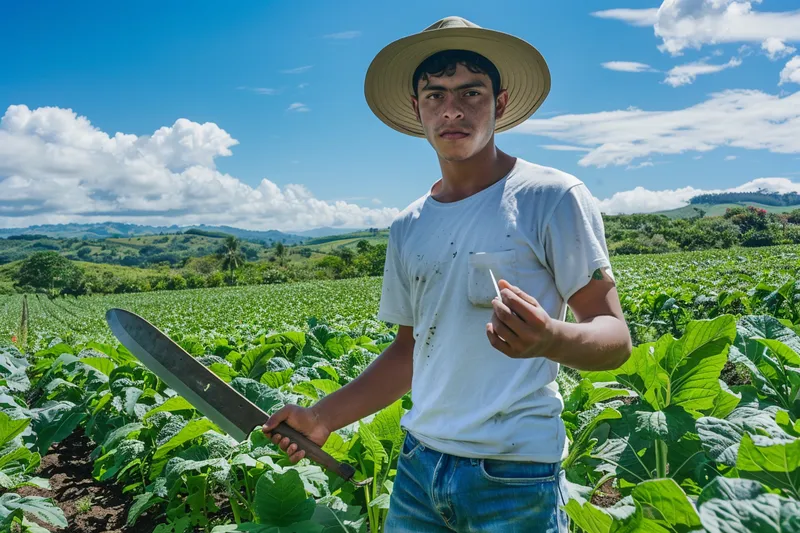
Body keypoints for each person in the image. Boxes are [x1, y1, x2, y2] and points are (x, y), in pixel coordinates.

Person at [263, 16, 632, 532]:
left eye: (470, 92)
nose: (452, 109)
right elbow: (409, 350)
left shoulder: (552, 198)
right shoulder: (408, 225)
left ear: (500, 103)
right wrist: (321, 418)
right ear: (417, 109)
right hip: (418, 470)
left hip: (515, 475)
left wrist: (552, 337)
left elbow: (614, 338)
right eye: (435, 95)